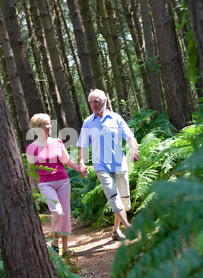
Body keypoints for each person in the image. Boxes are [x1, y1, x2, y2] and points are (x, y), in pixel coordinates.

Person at [77, 89, 139, 240]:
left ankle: (115, 230)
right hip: (101, 166)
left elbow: (130, 137)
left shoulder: (116, 118)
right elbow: (84, 147)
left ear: (104, 102)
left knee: (123, 199)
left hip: (119, 164)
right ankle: (128, 227)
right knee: (112, 195)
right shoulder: (87, 123)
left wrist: (135, 151)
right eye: (91, 102)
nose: (93, 105)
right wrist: (81, 163)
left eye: (96, 101)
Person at [26, 113, 86, 255]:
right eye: (47, 123)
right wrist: (33, 190)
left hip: (63, 181)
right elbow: (31, 171)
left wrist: (80, 169)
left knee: (65, 214)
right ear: (38, 127)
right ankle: (54, 241)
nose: (50, 126)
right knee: (57, 212)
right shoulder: (31, 148)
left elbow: (68, 161)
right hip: (45, 184)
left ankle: (65, 249)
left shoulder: (57, 142)